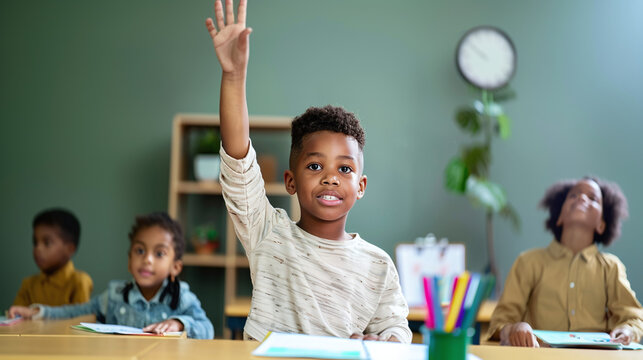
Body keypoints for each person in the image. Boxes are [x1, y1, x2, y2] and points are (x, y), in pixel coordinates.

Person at [205, 0, 411, 343]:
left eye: (344, 169)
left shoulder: (378, 264)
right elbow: (238, 159)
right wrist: (234, 76)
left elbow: (396, 328)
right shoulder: (267, 234)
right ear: (290, 181)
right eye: (315, 166)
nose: (331, 177)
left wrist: (385, 342)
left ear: (360, 186)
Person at [487, 177, 643, 347]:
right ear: (559, 216)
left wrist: (628, 330)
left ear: (601, 225)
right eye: (574, 195)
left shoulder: (611, 267)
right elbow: (500, 322)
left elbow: (633, 317)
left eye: (593, 198)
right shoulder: (528, 262)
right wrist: (513, 328)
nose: (582, 198)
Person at [9, 212, 214, 339]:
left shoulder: (182, 297)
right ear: (128, 259)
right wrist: (37, 312)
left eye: (159, 253)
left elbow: (208, 330)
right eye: (140, 251)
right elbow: (74, 311)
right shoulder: (114, 295)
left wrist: (180, 323)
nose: (147, 260)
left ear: (175, 267)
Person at [13, 208, 93, 307]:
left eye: (47, 243)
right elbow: (15, 318)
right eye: (35, 242)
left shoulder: (79, 282)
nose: (38, 248)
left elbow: (81, 319)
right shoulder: (28, 284)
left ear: (70, 249)